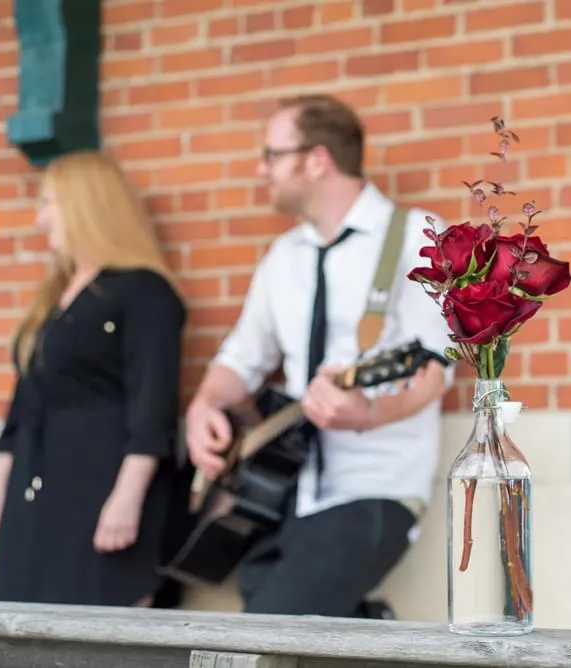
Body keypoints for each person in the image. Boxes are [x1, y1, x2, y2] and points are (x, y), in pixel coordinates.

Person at [184, 94, 453, 618]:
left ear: (316, 159)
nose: (260, 169)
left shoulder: (417, 237)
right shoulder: (283, 257)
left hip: (373, 490)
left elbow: (433, 368)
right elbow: (241, 358)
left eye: (271, 155)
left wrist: (369, 413)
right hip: (283, 491)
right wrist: (203, 408)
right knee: (269, 611)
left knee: (269, 631)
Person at [0, 150, 188, 607]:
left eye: (48, 203)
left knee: (92, 621)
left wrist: (127, 498)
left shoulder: (144, 291)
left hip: (100, 484)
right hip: (36, 483)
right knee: (16, 623)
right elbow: (24, 403)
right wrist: (0, 490)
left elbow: (153, 405)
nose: (40, 219)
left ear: (84, 206)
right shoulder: (54, 298)